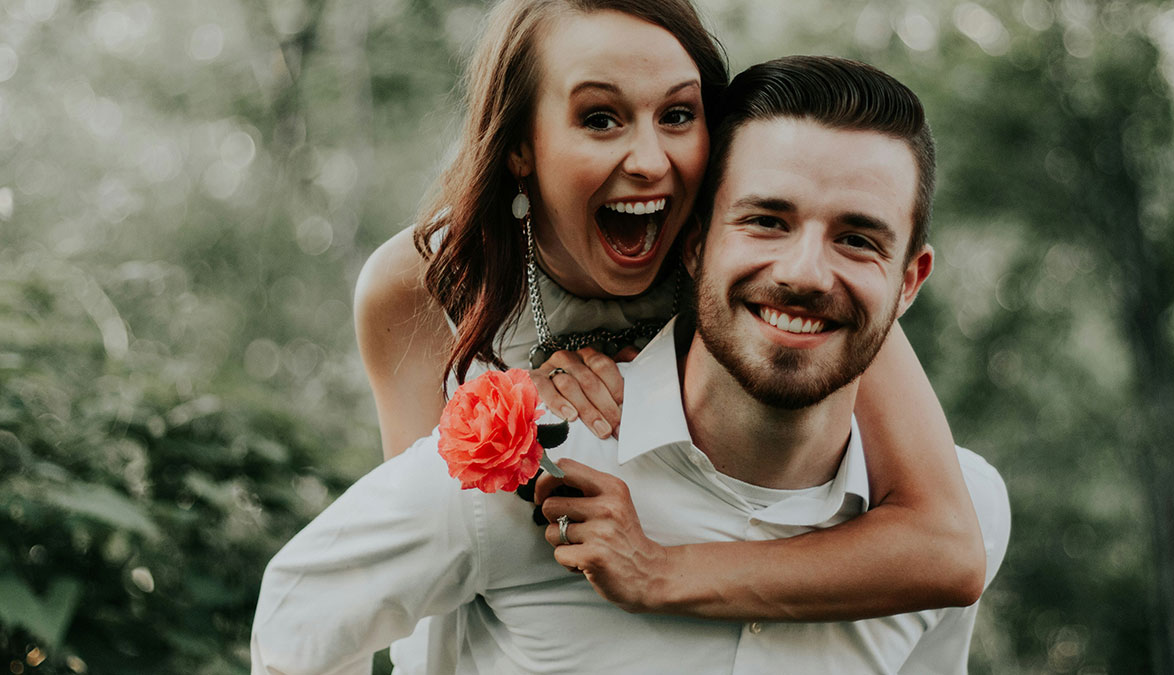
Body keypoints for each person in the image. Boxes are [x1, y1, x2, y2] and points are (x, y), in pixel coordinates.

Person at [253, 55, 1010, 675]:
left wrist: (663, 571)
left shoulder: (962, 508)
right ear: (693, 241)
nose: (806, 271)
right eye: (766, 220)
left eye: (858, 239)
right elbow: (296, 624)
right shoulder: (521, 474)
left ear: (910, 281)